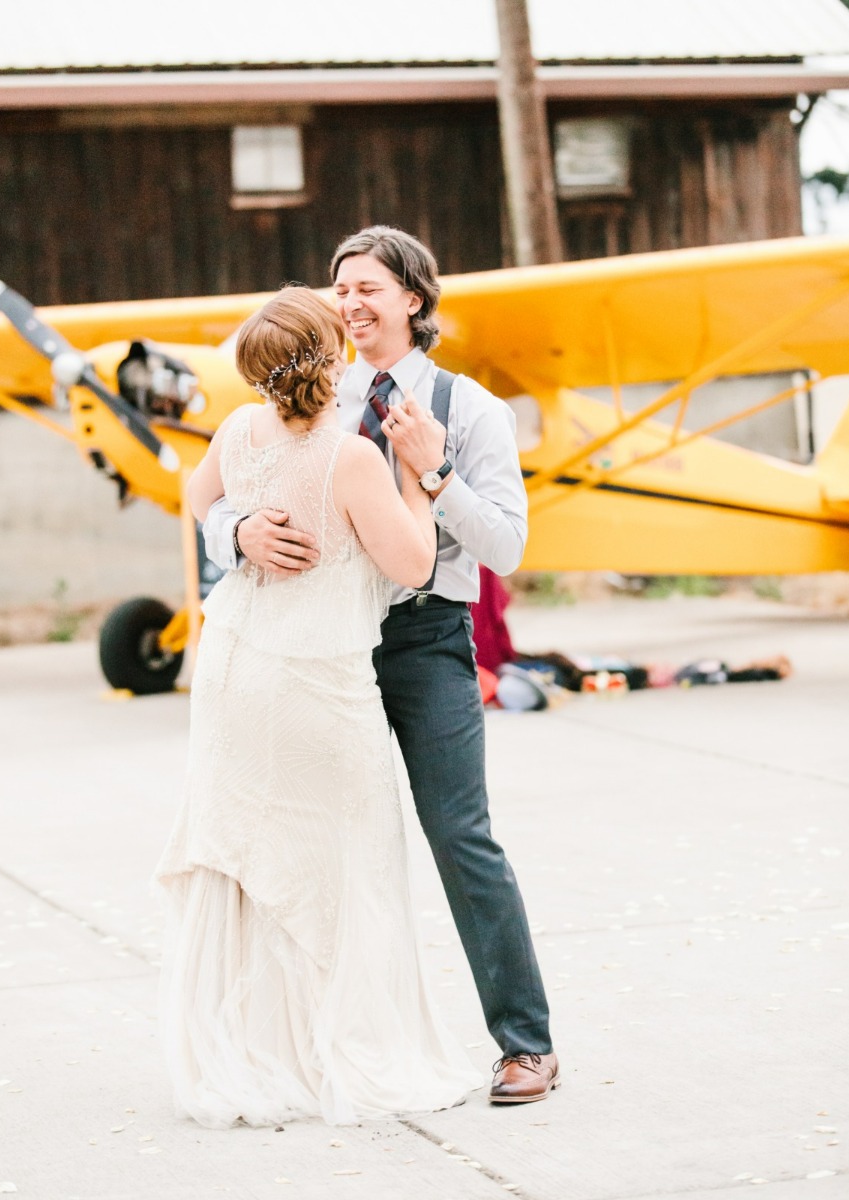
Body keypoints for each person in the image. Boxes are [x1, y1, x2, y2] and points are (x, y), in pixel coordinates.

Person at [203, 226, 559, 1104]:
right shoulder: (312, 388)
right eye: (340, 287)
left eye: (370, 287)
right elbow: (221, 491)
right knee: (327, 845)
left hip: (425, 638)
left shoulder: (471, 410)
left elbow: (507, 546)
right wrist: (235, 534)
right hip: (317, 649)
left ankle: (526, 1044)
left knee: (459, 837)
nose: (351, 303)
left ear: (414, 298)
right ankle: (322, 1044)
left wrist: (434, 470)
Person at [155, 286, 483, 1127]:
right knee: (347, 863)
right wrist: (423, 475)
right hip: (318, 683)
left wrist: (229, 529)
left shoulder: (235, 433)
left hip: (233, 671)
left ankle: (257, 1048)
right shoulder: (352, 458)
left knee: (255, 858)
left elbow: (196, 499)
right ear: (334, 358)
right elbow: (412, 566)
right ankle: (329, 1051)